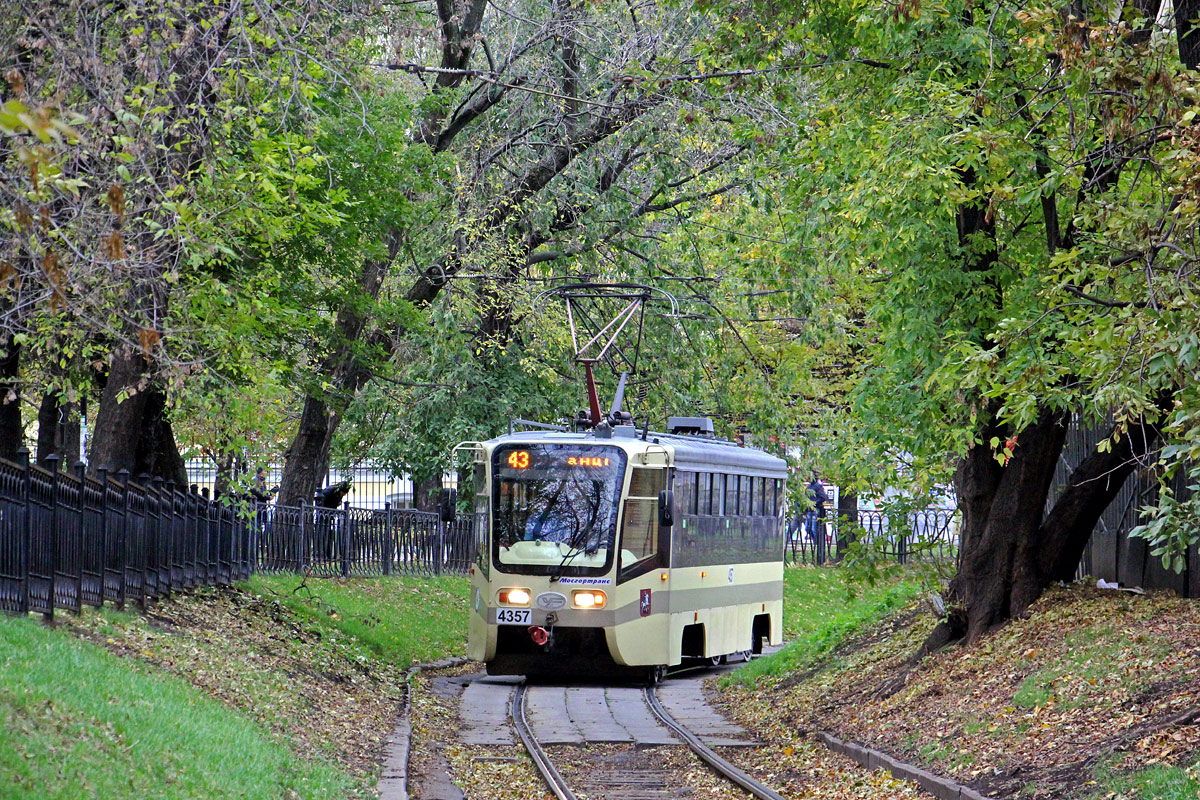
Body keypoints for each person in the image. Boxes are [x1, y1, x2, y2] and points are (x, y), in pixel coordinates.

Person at [804, 473, 828, 543]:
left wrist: (815, 503)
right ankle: (815, 543)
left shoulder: (817, 486)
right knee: (808, 528)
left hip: (815, 509)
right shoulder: (809, 487)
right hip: (810, 510)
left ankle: (816, 543)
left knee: (813, 528)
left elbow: (823, 497)